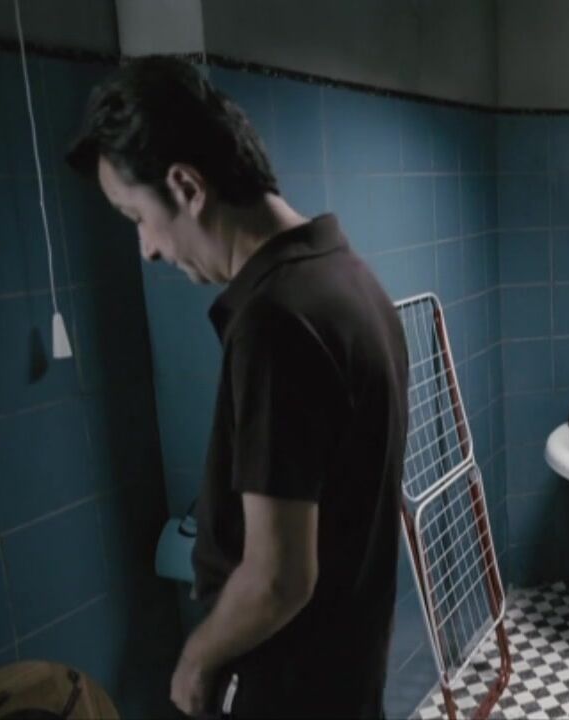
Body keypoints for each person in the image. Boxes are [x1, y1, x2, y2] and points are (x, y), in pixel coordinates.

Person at [67, 57, 408, 718]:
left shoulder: (277, 321)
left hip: (292, 692)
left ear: (187, 186)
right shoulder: (350, 280)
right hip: (348, 679)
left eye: (137, 216)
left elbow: (280, 578)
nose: (148, 249)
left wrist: (196, 660)